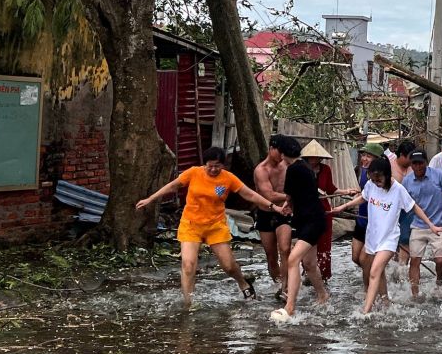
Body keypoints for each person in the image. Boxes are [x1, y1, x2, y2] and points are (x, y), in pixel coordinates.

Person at [137, 146, 279, 306]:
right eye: (209, 165)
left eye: (217, 166)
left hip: (215, 226)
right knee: (188, 264)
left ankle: (243, 283)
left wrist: (274, 207)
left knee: (229, 266)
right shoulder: (194, 172)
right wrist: (150, 199)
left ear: (223, 165)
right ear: (204, 164)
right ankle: (188, 302)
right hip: (191, 225)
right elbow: (173, 186)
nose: (212, 169)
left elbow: (250, 194)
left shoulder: (229, 179)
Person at [332, 157, 442, 314]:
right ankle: (385, 301)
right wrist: (343, 206)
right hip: (372, 237)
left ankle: (366, 311)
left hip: (389, 239)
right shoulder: (371, 185)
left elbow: (414, 207)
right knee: (376, 269)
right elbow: (363, 197)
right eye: (373, 179)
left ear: (387, 174)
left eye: (379, 179)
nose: (376, 182)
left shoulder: (398, 189)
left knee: (374, 271)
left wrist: (431, 225)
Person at [275, 136, 330, 317]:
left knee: (293, 260)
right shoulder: (305, 168)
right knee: (309, 263)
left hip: (311, 222)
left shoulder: (293, 169)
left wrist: (286, 205)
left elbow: (289, 195)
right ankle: (323, 295)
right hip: (312, 219)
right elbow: (299, 194)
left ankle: (290, 307)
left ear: (282, 153)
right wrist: (289, 205)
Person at [402, 149, 442, 297]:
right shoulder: (407, 181)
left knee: (439, 260)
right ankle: (415, 294)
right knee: (414, 261)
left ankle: (438, 282)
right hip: (418, 225)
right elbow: (402, 203)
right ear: (411, 165)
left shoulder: (438, 175)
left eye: (420, 163)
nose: (418, 167)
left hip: (439, 224)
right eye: (414, 164)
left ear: (426, 162)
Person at [302, 140, 358, 281]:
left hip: (324, 211)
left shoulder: (325, 169)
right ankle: (308, 273)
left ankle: (324, 276)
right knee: (307, 244)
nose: (315, 160)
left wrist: (346, 191)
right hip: (307, 211)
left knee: (324, 245)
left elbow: (331, 189)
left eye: (317, 157)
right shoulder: (300, 170)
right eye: (312, 157)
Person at [253, 135, 291, 299]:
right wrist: (291, 196)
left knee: (285, 249)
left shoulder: (287, 165)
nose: (282, 156)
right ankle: (278, 282)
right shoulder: (261, 170)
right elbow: (269, 195)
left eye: (285, 153)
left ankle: (286, 287)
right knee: (271, 254)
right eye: (280, 152)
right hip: (266, 214)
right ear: (271, 148)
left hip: (284, 213)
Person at [352, 142, 383, 290]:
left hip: (374, 224)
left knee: (364, 260)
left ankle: (368, 290)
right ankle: (376, 274)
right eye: (363, 155)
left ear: (377, 159)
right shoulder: (362, 171)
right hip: (361, 220)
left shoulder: (382, 177)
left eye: (368, 156)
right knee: (355, 258)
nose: (364, 158)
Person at [391, 140, 417, 265]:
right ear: (401, 155)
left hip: (408, 209)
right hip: (391, 209)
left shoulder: (414, 168)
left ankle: (402, 268)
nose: (411, 161)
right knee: (392, 239)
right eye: (409, 158)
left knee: (406, 238)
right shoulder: (389, 166)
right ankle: (392, 265)